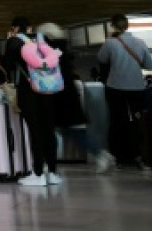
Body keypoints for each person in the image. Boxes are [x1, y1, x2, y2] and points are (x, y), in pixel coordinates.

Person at [36, 22, 114, 173]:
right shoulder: (63, 50)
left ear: (48, 37)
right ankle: (101, 154)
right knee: (71, 132)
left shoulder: (52, 51)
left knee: (52, 131)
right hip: (67, 97)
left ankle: (48, 163)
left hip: (58, 98)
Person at [97, 14, 152, 169]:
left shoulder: (110, 43)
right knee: (138, 121)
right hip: (137, 87)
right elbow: (149, 65)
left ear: (113, 26)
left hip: (115, 87)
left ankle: (118, 157)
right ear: (127, 25)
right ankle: (139, 155)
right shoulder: (140, 42)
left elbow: (101, 59)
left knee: (117, 121)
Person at [17, 32, 63, 187]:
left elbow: (9, 64)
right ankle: (52, 172)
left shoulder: (19, 45)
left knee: (35, 132)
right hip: (49, 89)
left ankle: (38, 173)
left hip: (31, 91)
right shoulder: (46, 45)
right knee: (48, 130)